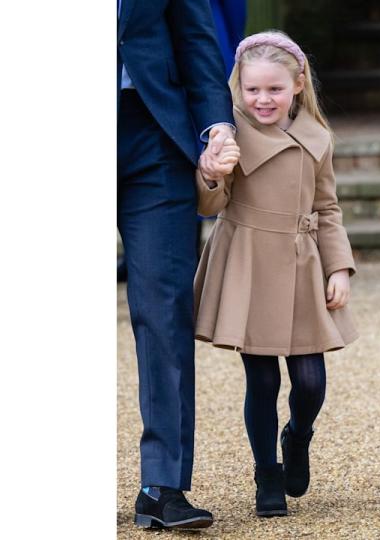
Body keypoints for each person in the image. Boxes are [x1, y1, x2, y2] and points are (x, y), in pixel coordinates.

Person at [192, 31, 358, 517]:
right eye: (252, 90)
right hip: (249, 260)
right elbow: (210, 204)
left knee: (310, 381)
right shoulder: (230, 133)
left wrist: (339, 267)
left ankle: (297, 435)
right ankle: (267, 473)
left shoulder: (317, 137)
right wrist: (211, 172)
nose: (262, 99)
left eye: (274, 89)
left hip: (304, 262)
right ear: (237, 88)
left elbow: (327, 207)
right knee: (261, 380)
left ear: (298, 84)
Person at [117, 0, 237, 530]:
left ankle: (161, 485)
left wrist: (217, 124)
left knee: (166, 308)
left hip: (154, 132)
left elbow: (194, 36)